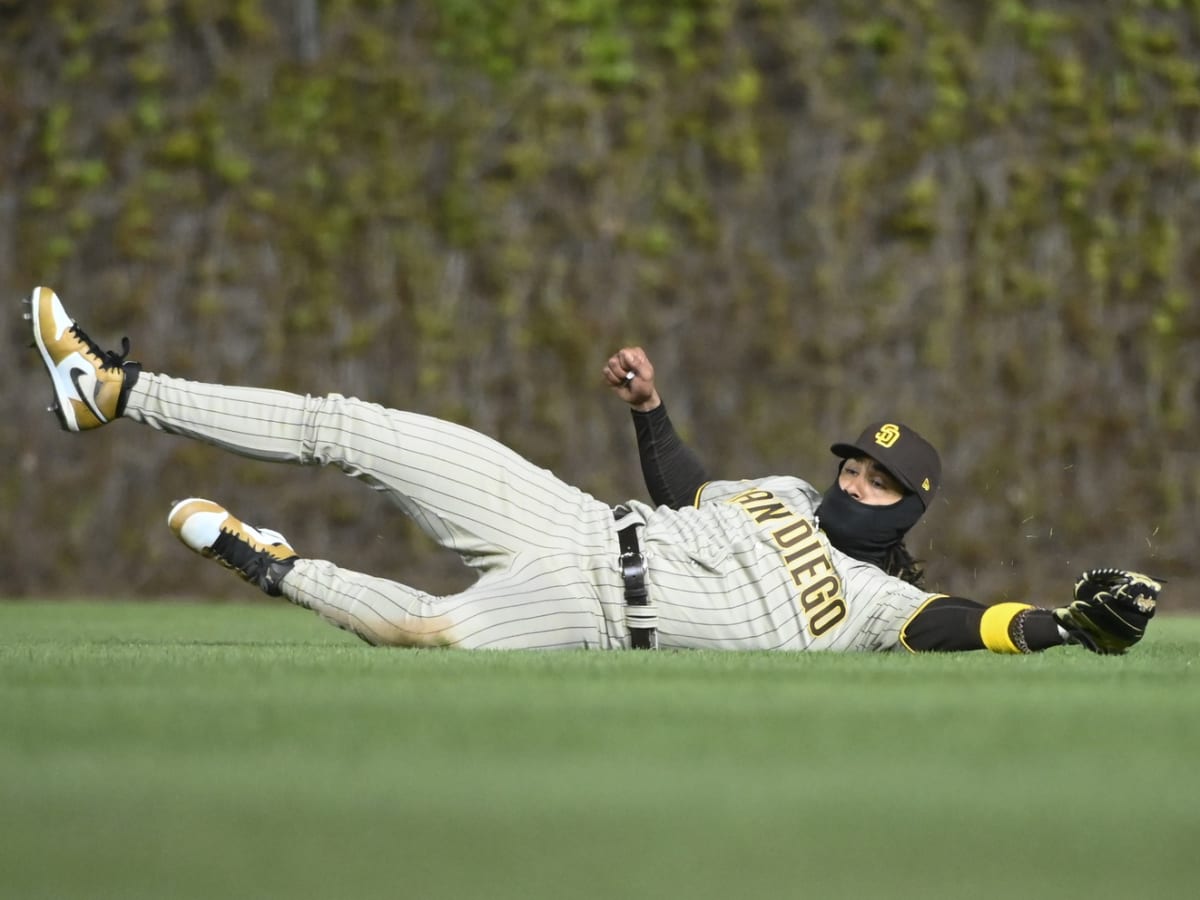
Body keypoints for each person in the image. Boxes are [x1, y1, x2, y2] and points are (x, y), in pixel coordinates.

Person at [26, 286, 1159, 654]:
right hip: (568, 516)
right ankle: (117, 391)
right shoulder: (776, 489)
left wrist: (1059, 628)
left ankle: (264, 563)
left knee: (426, 632)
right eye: (854, 460)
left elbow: (965, 624)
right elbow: (684, 487)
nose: (853, 477)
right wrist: (653, 412)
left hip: (594, 610)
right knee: (351, 424)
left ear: (906, 508)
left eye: (875, 480)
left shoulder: (879, 601)